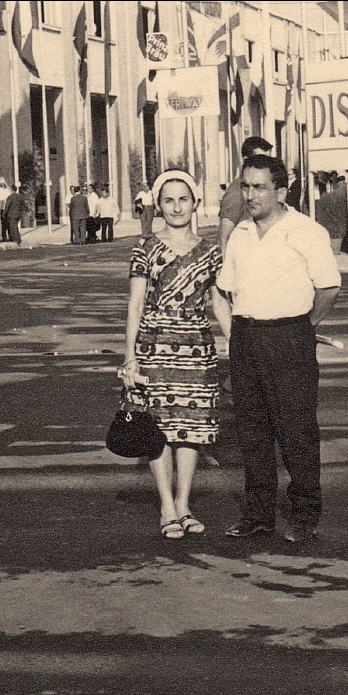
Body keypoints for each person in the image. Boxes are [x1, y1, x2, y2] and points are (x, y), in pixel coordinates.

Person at [217, 154, 341, 543]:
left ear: (281, 191)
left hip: (290, 339)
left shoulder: (307, 231)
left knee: (296, 431)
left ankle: (305, 515)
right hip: (246, 339)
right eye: (245, 186)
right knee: (252, 433)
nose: (249, 195)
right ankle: (259, 516)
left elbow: (329, 287)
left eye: (259, 187)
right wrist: (235, 332)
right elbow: (225, 290)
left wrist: (303, 327)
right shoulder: (239, 233)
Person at [120, 170, 230, 539]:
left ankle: (184, 503)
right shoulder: (146, 248)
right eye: (169, 200)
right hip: (154, 348)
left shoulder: (210, 251)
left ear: (195, 203)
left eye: (184, 199)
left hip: (196, 349)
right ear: (159, 205)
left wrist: (241, 345)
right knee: (158, 430)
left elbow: (219, 304)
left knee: (191, 430)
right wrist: (129, 357)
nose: (177, 206)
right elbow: (135, 304)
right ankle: (166, 506)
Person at [218, 135, 273, 251]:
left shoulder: (266, 187)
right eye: (261, 160)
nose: (266, 165)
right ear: (246, 159)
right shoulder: (236, 192)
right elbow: (224, 238)